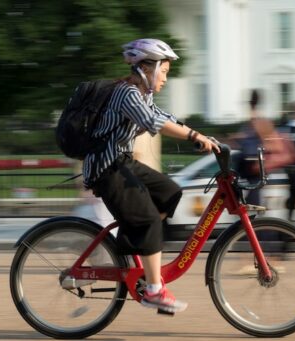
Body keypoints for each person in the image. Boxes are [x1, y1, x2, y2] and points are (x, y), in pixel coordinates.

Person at [82, 38, 219, 313]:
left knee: (169, 191)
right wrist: (194, 135)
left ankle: (137, 246)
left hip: (122, 163)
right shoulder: (127, 93)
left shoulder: (142, 94)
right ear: (147, 67)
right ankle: (154, 291)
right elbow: (152, 122)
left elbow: (163, 115)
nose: (166, 79)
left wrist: (201, 136)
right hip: (107, 169)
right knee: (148, 221)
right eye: (164, 71)